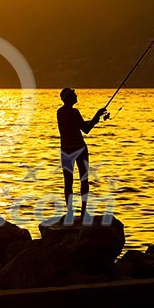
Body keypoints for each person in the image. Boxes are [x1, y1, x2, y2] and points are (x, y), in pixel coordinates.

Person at [57, 88, 107, 222]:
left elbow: (81, 126)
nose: (76, 95)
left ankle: (69, 213)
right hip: (79, 148)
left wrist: (96, 117)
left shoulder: (60, 112)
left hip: (66, 150)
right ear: (69, 98)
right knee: (83, 180)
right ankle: (84, 213)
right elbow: (86, 129)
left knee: (68, 182)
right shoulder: (74, 112)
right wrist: (97, 115)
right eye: (74, 94)